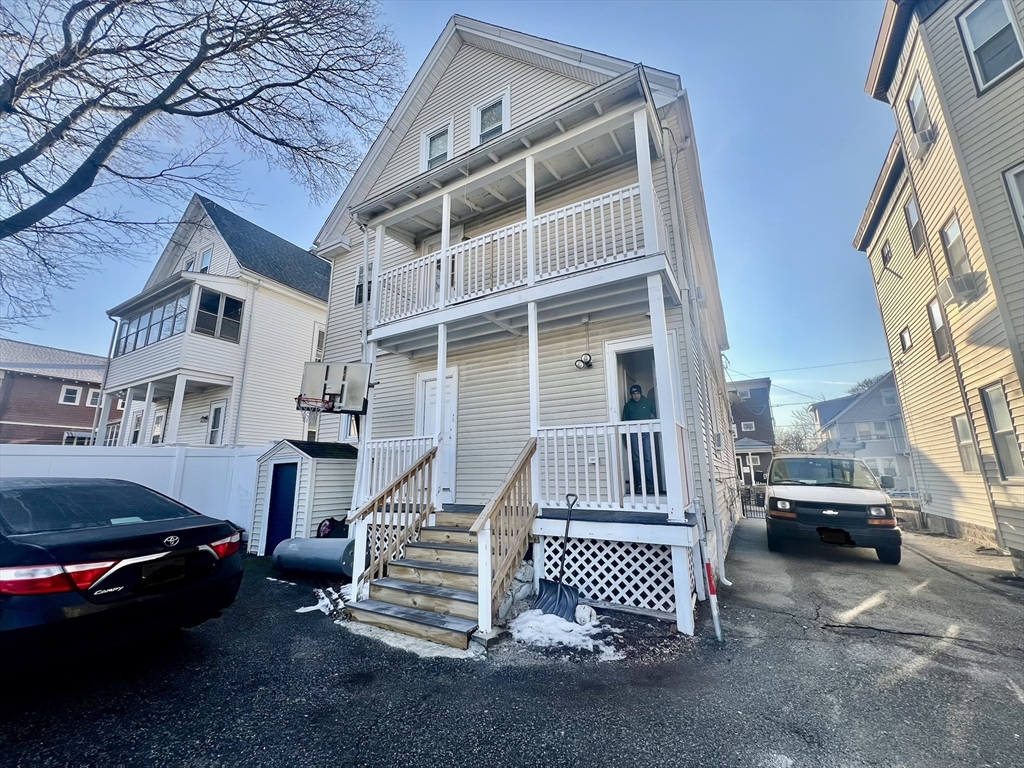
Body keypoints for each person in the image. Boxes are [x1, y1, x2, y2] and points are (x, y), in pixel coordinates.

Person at [622, 384, 656, 493]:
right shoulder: (628, 406)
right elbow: (624, 422)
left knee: (648, 458)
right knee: (636, 459)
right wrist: (625, 440)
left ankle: (650, 485)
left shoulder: (648, 402)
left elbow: (657, 415)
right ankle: (640, 484)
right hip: (633, 434)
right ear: (631, 395)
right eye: (633, 394)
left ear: (641, 393)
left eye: (637, 393)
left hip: (646, 433)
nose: (636, 396)